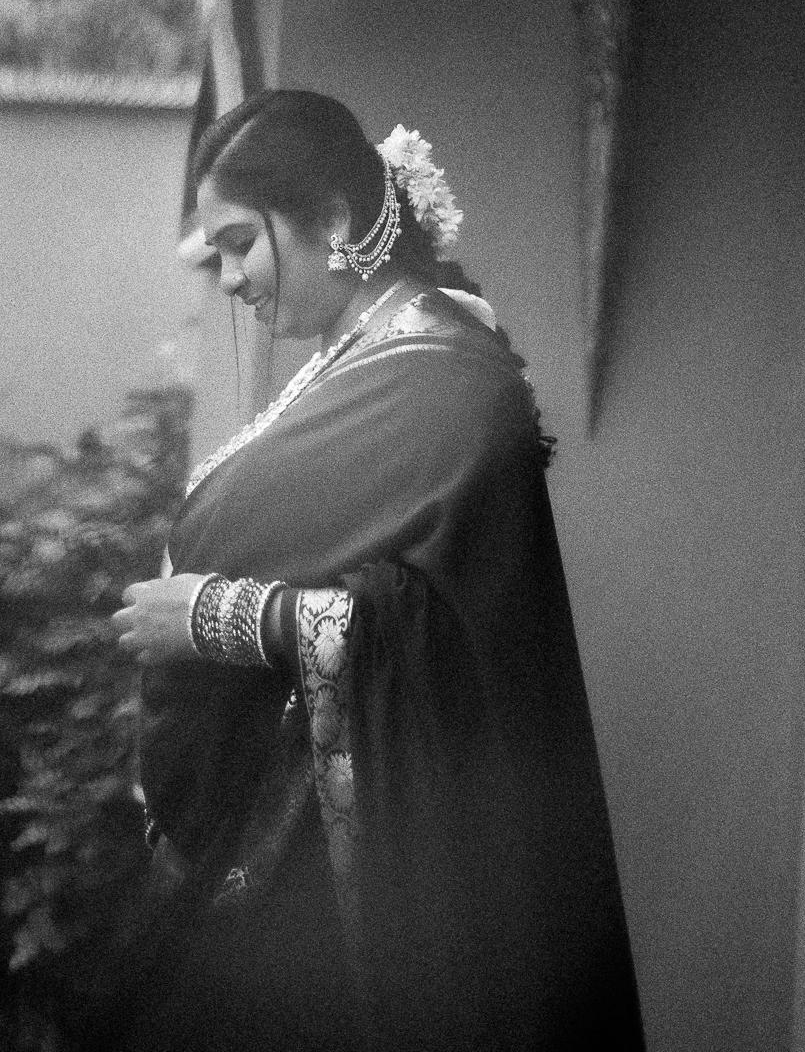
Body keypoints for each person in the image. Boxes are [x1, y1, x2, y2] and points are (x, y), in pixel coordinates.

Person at [112, 89, 644, 1052]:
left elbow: (451, 633)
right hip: (277, 840)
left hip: (379, 893)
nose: (227, 278)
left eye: (240, 243)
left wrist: (222, 616)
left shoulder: (451, 382)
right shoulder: (358, 355)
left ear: (333, 219)